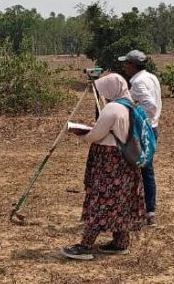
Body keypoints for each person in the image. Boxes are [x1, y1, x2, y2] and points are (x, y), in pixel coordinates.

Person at [61, 73, 145, 260]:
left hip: (109, 161)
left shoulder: (113, 108)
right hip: (125, 161)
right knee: (121, 201)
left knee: (101, 201)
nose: (101, 95)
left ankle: (85, 246)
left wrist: (80, 132)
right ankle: (120, 243)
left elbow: (95, 135)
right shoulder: (129, 106)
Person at [119, 50, 161, 226]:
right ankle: (147, 209)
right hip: (152, 126)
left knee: (141, 169)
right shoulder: (151, 77)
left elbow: (150, 105)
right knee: (146, 169)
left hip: (144, 129)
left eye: (127, 63)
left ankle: (145, 210)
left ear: (133, 65)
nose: (125, 67)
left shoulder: (138, 82)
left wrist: (134, 109)